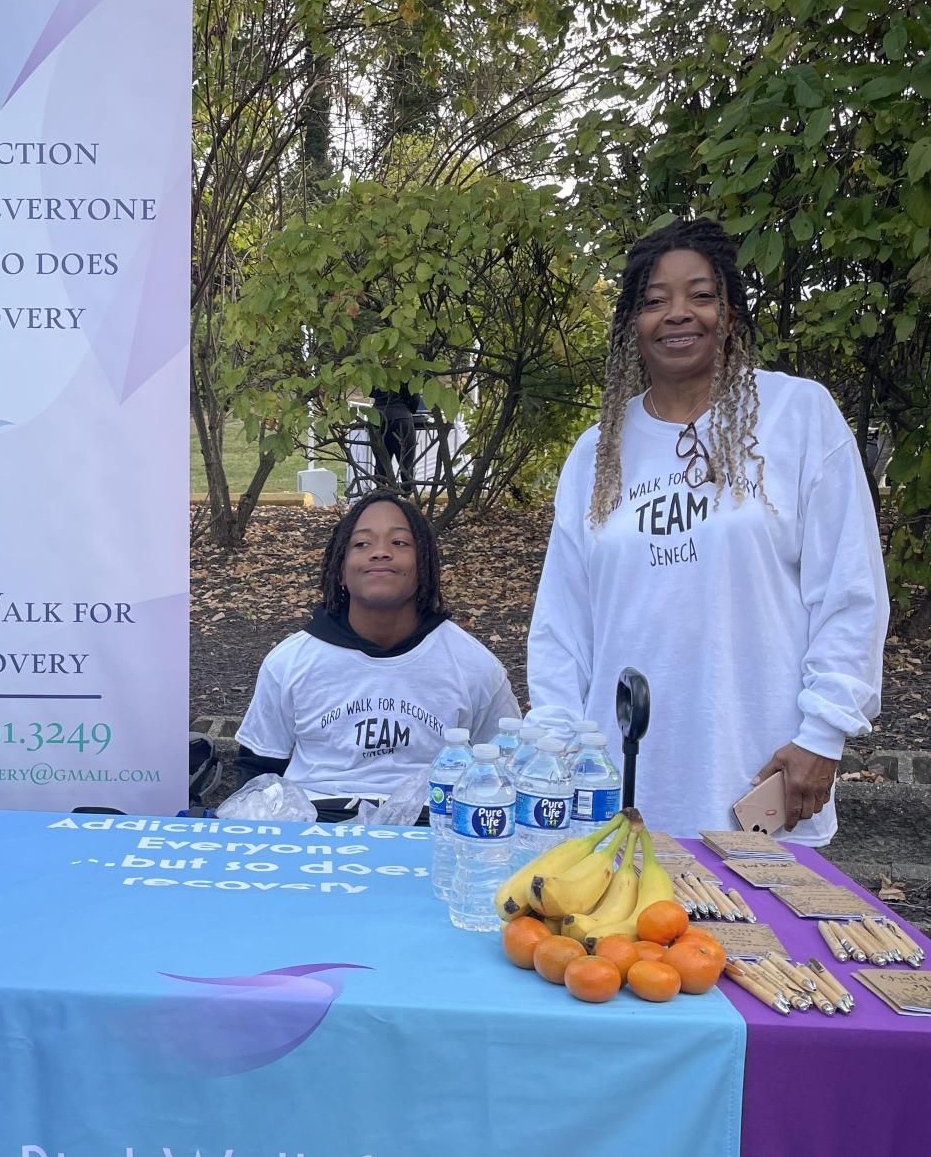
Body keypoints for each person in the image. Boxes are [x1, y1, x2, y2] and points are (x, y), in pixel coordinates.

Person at [528, 216, 888, 841]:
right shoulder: (595, 452)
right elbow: (563, 625)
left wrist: (823, 733)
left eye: (700, 295)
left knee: (765, 941)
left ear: (732, 313)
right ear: (630, 327)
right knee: (619, 943)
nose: (678, 314)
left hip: (763, 773)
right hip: (615, 787)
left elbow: (849, 591)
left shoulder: (797, 416)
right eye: (654, 301)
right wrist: (556, 750)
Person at [233, 492, 518, 818]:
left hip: (433, 827)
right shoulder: (289, 663)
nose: (381, 552)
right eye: (361, 544)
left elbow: (505, 768)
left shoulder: (475, 666)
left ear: (424, 564)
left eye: (399, 543)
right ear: (340, 569)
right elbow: (256, 770)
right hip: (314, 829)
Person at [369, 383, 423, 488]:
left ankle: (382, 492)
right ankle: (407, 493)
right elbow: (414, 398)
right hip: (402, 417)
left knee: (382, 461)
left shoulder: (374, 372)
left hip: (378, 417)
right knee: (406, 462)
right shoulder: (403, 372)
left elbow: (369, 393)